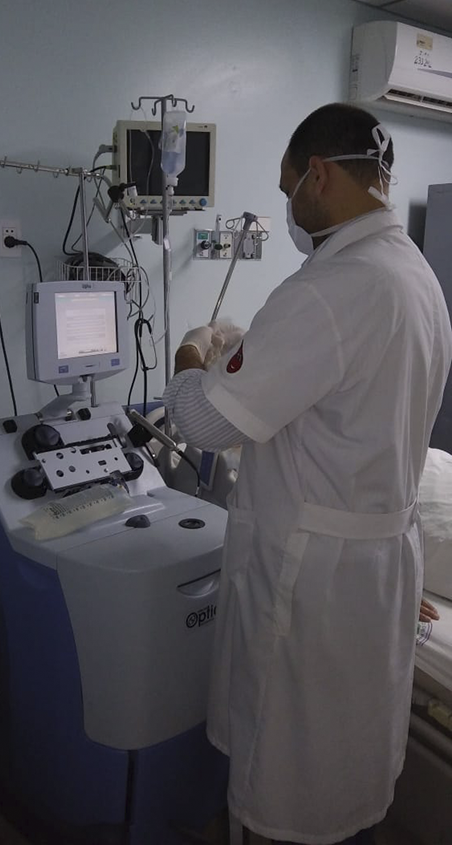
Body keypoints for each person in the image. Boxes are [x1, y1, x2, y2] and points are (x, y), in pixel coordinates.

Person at [163, 103, 452, 845]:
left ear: (318, 175)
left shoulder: (329, 288)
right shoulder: (415, 275)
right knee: (347, 770)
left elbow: (201, 424)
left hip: (312, 586)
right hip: (377, 567)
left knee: (287, 775)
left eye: (288, 183)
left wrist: (196, 350)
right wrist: (249, 353)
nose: (290, 203)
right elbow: (346, 406)